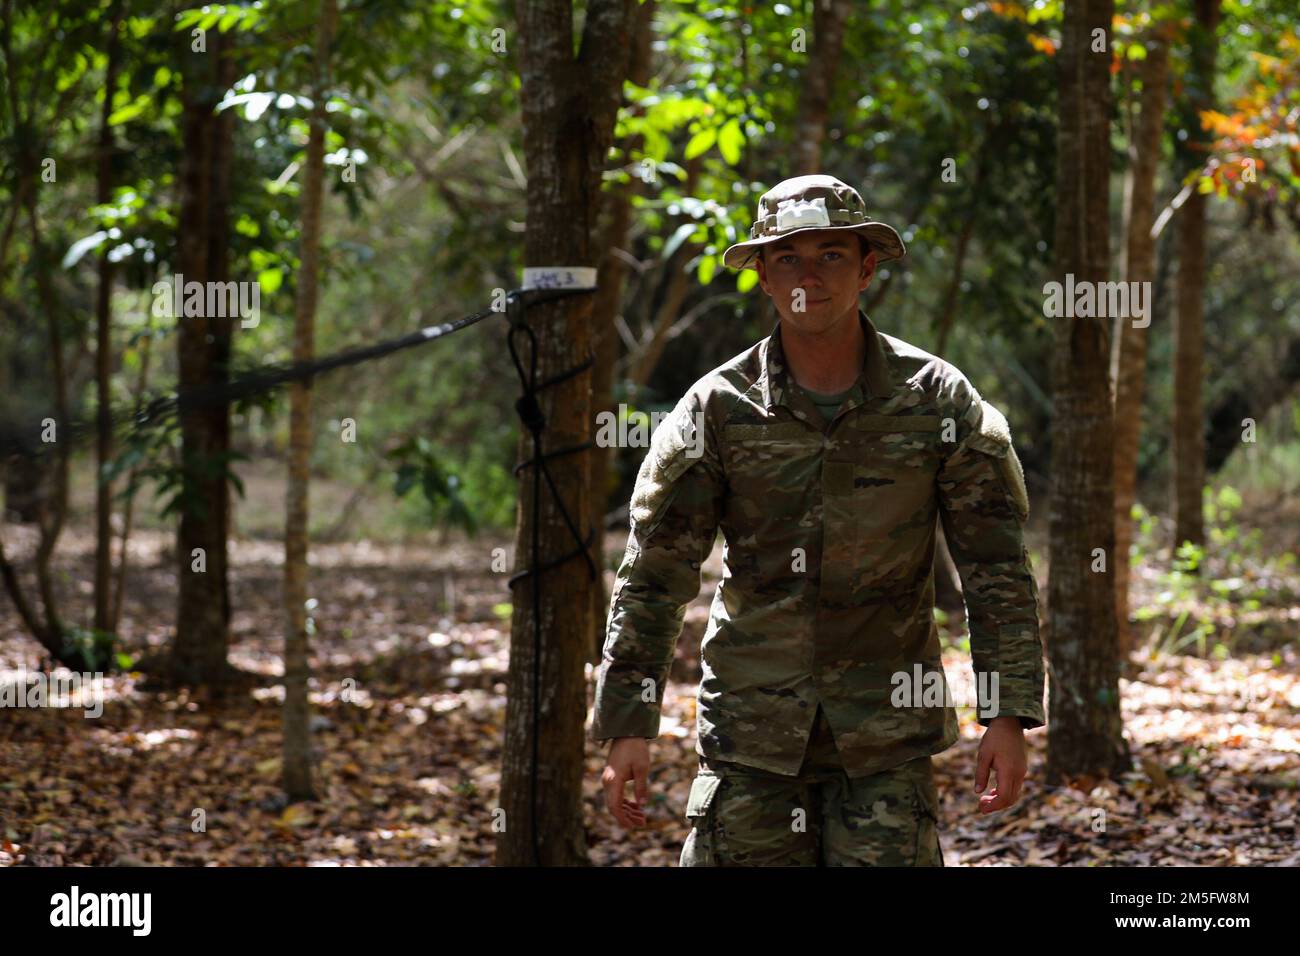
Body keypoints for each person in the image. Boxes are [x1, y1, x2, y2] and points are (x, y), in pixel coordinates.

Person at [592, 174, 1045, 866]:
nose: (810, 276)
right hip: (751, 736)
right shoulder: (719, 408)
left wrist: (1005, 714)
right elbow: (655, 575)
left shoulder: (937, 400)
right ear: (764, 278)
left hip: (886, 742)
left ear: (867, 269)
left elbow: (997, 571)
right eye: (788, 259)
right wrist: (629, 722)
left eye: (831, 255)